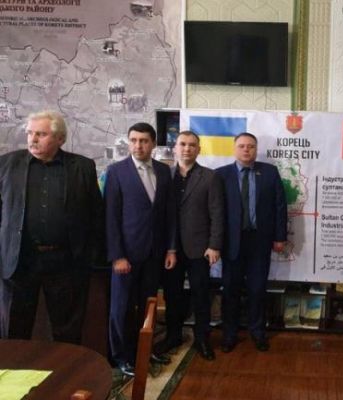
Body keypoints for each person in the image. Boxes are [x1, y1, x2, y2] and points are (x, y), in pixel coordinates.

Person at [0, 110, 103, 343]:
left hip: (66, 262)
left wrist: (90, 255)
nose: (32, 139)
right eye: (30, 133)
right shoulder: (6, 164)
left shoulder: (82, 167)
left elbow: (96, 215)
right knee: (14, 329)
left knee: (67, 331)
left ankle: (65, 367)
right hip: (19, 261)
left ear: (60, 139)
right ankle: (15, 367)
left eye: (41, 134)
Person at [105, 122, 176, 376]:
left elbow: (169, 214)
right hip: (126, 256)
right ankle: (121, 357)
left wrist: (171, 249)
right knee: (122, 308)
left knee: (148, 306)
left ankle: (145, 350)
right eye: (133, 140)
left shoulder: (163, 171)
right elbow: (111, 217)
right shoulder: (116, 172)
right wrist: (117, 256)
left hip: (154, 254)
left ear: (153, 144)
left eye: (144, 141)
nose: (138, 145)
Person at [157, 131, 225, 361]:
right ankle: (173, 336)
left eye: (192, 145)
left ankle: (202, 339)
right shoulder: (164, 175)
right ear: (175, 148)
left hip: (199, 248)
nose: (187, 148)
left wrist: (214, 245)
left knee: (201, 295)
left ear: (199, 149)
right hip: (169, 249)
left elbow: (217, 213)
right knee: (172, 295)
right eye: (183, 144)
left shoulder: (210, 177)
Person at [216, 132, 287, 353]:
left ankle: (258, 332)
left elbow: (279, 206)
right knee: (231, 291)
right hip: (231, 243)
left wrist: (280, 237)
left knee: (257, 290)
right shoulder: (221, 175)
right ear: (234, 149)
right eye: (242, 146)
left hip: (260, 241)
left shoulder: (270, 172)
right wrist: (215, 242)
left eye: (251, 146)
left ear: (256, 149)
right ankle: (229, 334)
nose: (246, 150)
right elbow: (215, 211)